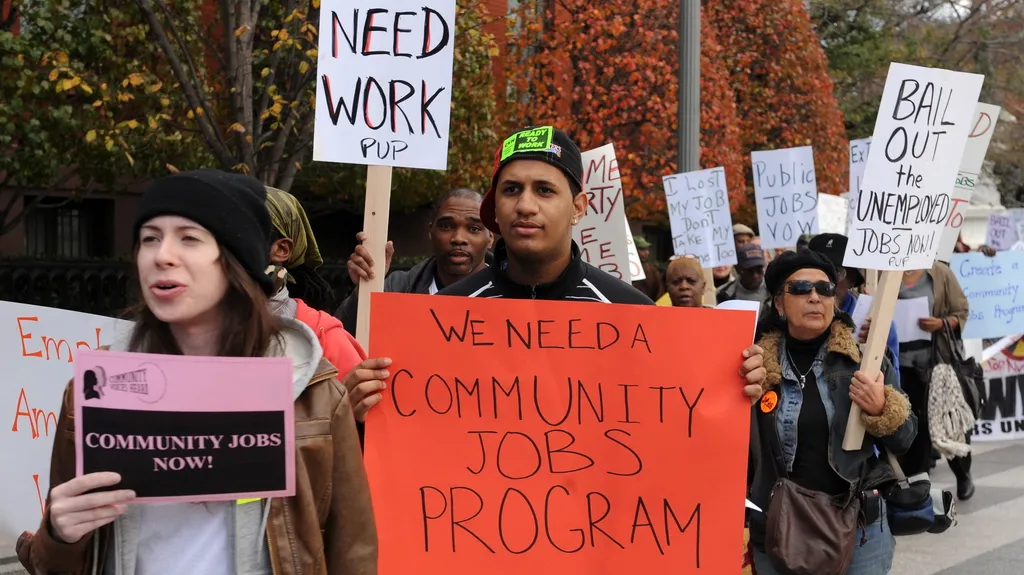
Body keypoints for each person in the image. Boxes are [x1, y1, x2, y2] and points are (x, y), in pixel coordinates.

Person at [16, 169, 376, 575]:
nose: (162, 255)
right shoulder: (95, 391)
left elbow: (354, 553)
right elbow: (53, 564)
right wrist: (60, 533)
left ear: (240, 260)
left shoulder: (317, 393)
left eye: (189, 238)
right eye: (149, 238)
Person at [437, 125, 768, 401]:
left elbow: (682, 420)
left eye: (544, 190)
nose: (525, 205)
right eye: (511, 189)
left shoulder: (634, 315)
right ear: (495, 208)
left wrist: (732, 384)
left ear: (579, 208)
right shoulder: (441, 318)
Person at [748, 250, 916, 575]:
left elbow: (907, 438)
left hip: (858, 527)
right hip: (778, 526)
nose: (814, 297)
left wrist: (882, 409)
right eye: (800, 289)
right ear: (780, 304)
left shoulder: (866, 363)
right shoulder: (753, 366)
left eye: (824, 289)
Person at [335, 188, 491, 335]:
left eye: (474, 229)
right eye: (446, 226)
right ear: (431, 231)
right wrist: (365, 289)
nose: (458, 238)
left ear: (490, 237)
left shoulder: (512, 293)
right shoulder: (396, 288)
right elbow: (341, 341)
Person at [265, 186, 368, 378]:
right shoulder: (195, 327)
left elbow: (359, 407)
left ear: (282, 249)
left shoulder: (326, 339)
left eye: (244, 233)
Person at [897, 259, 973, 499]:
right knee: (910, 428)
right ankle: (916, 488)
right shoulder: (883, 271)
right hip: (898, 365)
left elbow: (961, 311)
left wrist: (941, 323)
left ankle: (962, 474)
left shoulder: (939, 272)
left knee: (947, 423)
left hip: (935, 365)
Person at [808, 233, 901, 374]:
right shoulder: (792, 315)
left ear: (852, 279)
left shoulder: (876, 321)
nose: (825, 281)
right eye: (817, 272)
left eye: (836, 272)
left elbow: (894, 386)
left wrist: (877, 349)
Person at [631, 235, 664, 300]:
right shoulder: (625, 270)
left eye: (647, 249)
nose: (647, 252)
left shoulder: (652, 271)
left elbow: (659, 293)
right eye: (642, 249)